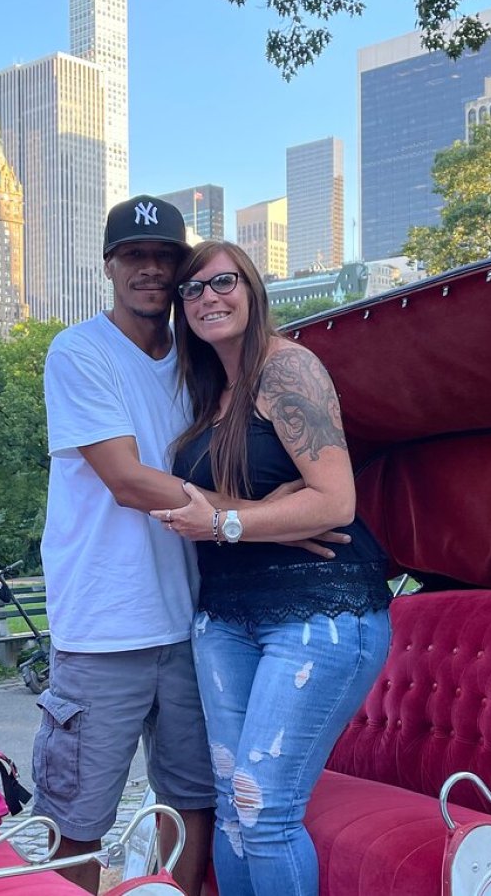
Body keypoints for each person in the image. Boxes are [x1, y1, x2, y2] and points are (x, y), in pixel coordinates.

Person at [151, 240, 392, 896]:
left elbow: (335, 500)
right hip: (225, 616)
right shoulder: (210, 394)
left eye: (222, 282)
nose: (208, 298)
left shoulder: (287, 370)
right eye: (191, 291)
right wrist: (260, 512)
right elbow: (207, 505)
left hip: (318, 612)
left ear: (251, 289)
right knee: (233, 811)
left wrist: (230, 523)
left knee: (262, 812)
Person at [34, 194, 215, 895]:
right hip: (102, 628)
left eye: (165, 257)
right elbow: (126, 480)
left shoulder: (200, 364)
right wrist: (249, 516)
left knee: (191, 799)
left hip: (190, 624)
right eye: (134, 256)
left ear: (180, 271)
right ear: (109, 266)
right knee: (77, 818)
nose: (150, 270)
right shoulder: (78, 351)